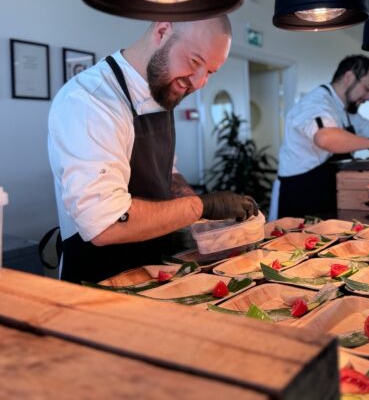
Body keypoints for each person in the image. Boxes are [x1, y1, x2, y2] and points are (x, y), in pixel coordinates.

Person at [48, 16, 258, 284]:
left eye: (210, 72)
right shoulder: (89, 101)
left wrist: (209, 222)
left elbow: (165, 171)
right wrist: (202, 206)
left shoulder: (159, 91)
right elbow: (105, 224)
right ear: (162, 30)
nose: (198, 82)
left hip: (151, 270)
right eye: (195, 62)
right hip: (98, 281)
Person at [277, 54, 369, 218]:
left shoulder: (343, 108)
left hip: (325, 187)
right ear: (349, 77)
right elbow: (325, 137)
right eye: (368, 88)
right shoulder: (317, 103)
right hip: (301, 192)